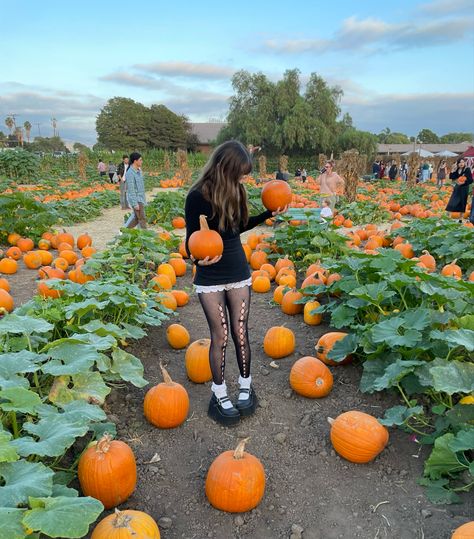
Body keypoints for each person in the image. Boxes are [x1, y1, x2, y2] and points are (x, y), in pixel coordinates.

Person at [184, 141, 286, 426]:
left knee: (240, 332)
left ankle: (245, 387)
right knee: (220, 336)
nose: (243, 179)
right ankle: (218, 394)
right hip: (211, 276)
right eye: (239, 173)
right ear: (224, 167)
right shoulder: (196, 197)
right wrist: (195, 259)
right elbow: (191, 240)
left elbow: (238, 226)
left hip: (237, 269)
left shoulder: (237, 191)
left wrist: (268, 215)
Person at [125, 152, 147, 229]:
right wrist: (135, 203)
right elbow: (131, 190)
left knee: (137, 218)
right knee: (142, 218)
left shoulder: (139, 171)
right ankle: (145, 236)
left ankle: (124, 232)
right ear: (135, 161)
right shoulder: (130, 173)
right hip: (136, 199)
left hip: (141, 198)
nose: (142, 161)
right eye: (140, 160)